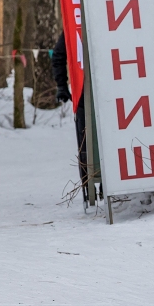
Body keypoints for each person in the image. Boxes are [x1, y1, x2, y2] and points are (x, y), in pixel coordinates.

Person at [52, 32, 91, 205]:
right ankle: (89, 187)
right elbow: (59, 55)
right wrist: (61, 85)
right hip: (84, 95)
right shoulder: (73, 24)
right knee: (86, 143)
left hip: (103, 94)